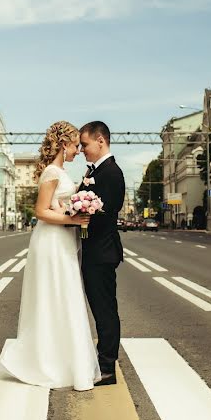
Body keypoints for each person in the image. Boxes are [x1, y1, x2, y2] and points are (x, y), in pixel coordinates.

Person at [0, 121, 101, 391]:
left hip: (62, 240)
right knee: (55, 296)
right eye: (76, 145)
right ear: (64, 144)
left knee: (63, 296)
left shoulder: (59, 171)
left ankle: (63, 362)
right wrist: (74, 218)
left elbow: (56, 205)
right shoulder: (52, 173)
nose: (78, 151)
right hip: (51, 241)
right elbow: (41, 211)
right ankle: (48, 363)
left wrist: (72, 213)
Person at [78, 121, 126, 386]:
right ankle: (102, 362)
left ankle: (107, 367)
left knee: (105, 310)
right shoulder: (97, 170)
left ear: (100, 141)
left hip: (102, 252)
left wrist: (77, 215)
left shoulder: (111, 172)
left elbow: (105, 212)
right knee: (101, 308)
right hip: (95, 250)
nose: (83, 150)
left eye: (85, 144)